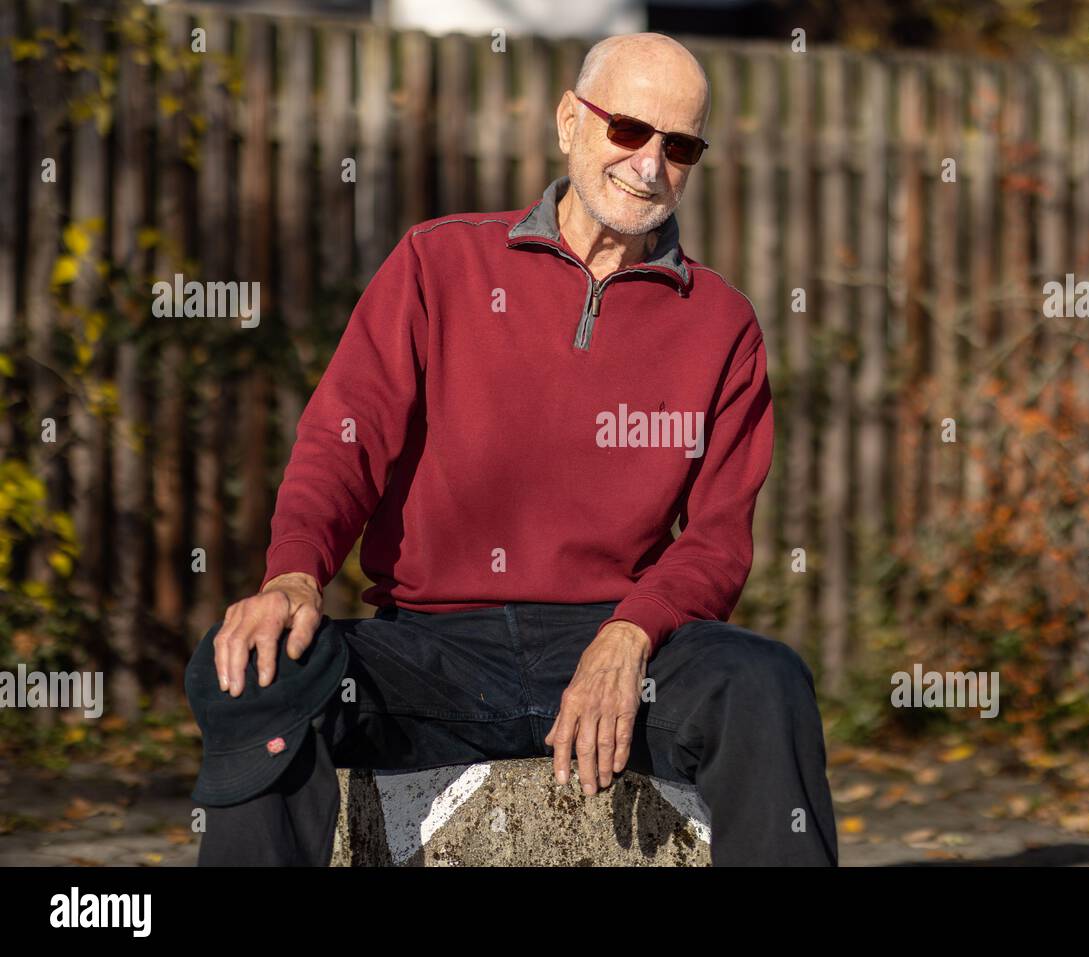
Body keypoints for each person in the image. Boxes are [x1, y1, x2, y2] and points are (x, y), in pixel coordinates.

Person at [186, 31, 838, 867]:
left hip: (614, 650)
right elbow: (342, 440)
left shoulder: (723, 323)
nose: (650, 165)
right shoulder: (438, 262)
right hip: (432, 648)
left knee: (765, 681)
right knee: (256, 667)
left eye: (680, 147)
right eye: (629, 130)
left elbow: (717, 541)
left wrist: (632, 632)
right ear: (570, 120)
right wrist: (292, 574)